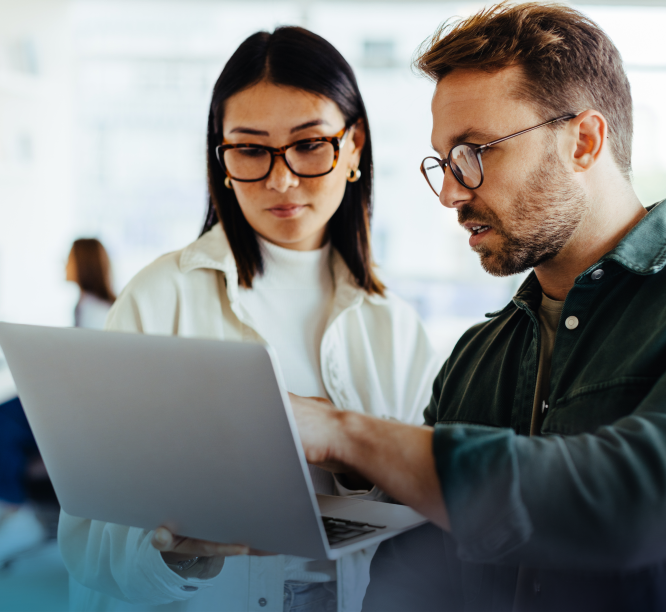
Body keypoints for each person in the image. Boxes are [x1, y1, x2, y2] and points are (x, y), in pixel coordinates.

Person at [291, 3, 666, 610]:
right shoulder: (476, 358)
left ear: (583, 141)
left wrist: (347, 434)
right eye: (444, 162)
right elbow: (414, 577)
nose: (451, 192)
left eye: (475, 151)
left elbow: (635, 499)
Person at [58, 26, 439, 612]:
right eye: (252, 149)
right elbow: (89, 543)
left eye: (310, 144)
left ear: (355, 145)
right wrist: (179, 554)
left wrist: (361, 457)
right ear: (223, 158)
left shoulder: (396, 328)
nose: (280, 179)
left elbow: (426, 517)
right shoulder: (162, 298)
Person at [0, 238, 115, 569]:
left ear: (83, 264)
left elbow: (89, 375)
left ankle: (8, 506)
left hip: (79, 410)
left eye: (69, 260)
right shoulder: (91, 304)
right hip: (72, 400)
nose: (63, 265)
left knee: (0, 427)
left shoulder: (93, 309)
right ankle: (2, 502)